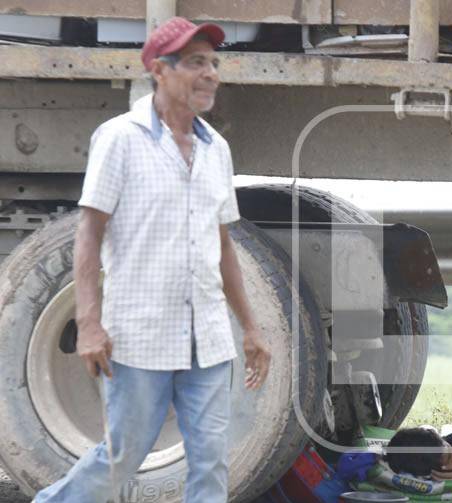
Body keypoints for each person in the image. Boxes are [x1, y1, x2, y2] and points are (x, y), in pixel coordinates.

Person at [33, 16, 271, 503]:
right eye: (196, 63)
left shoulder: (216, 149)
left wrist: (251, 327)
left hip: (207, 338)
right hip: (139, 336)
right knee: (123, 457)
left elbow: (223, 245)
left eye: (214, 63)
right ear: (159, 70)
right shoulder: (120, 138)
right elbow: (89, 234)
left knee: (211, 461)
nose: (210, 74)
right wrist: (90, 324)